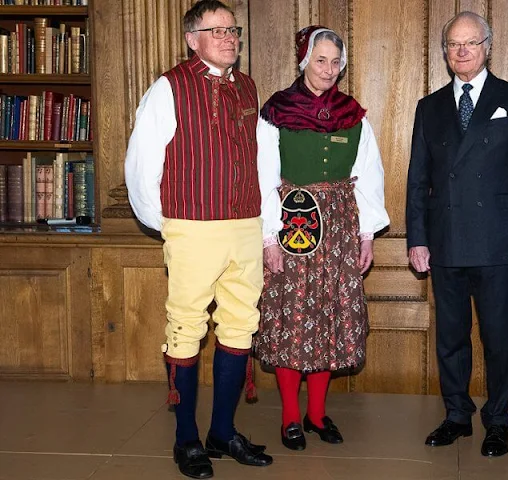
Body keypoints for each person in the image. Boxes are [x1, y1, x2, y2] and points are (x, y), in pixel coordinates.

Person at [124, 1, 273, 477]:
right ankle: (186, 439)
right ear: (193, 38)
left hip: (246, 225)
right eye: (217, 30)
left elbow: (263, 163)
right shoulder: (169, 87)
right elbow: (142, 163)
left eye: (233, 30)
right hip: (191, 225)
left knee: (239, 326)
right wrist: (167, 224)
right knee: (186, 328)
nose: (230, 37)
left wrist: (264, 223)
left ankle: (222, 432)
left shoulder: (247, 87)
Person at [406, 11, 508, 457]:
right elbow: (417, 179)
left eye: (470, 42)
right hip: (445, 240)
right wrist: (417, 238)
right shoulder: (429, 107)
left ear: (488, 46)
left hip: (497, 241)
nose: (462, 51)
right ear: (445, 53)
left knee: (496, 336)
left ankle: (498, 420)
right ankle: (456, 415)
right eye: (453, 44)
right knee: (450, 336)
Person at [253, 25, 390, 451]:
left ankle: (316, 414)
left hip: (340, 230)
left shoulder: (353, 115)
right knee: (294, 319)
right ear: (304, 61)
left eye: (335, 62)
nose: (328, 70)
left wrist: (367, 234)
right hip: (293, 225)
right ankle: (290, 417)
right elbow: (262, 177)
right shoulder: (276, 111)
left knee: (328, 317)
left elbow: (369, 176)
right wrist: (269, 238)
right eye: (320, 60)